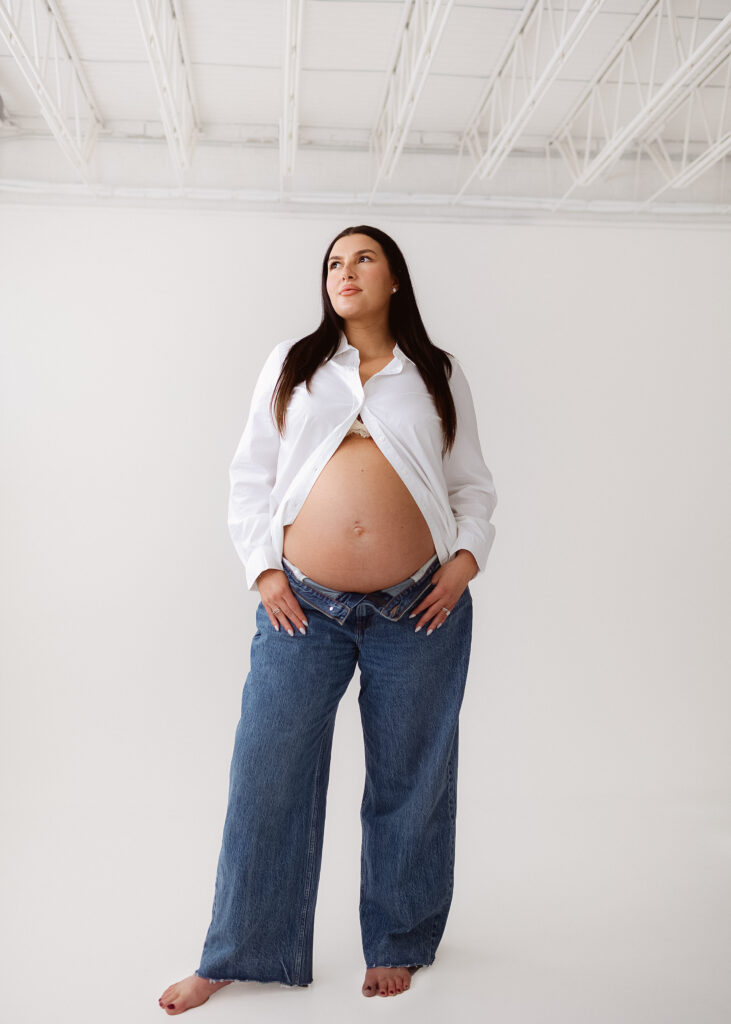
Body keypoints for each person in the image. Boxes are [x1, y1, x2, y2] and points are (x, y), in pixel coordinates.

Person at [158, 225, 497, 1013]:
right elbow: (250, 476)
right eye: (334, 263)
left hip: (420, 606)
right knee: (266, 772)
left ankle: (399, 941)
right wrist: (264, 568)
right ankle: (240, 949)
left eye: (363, 259)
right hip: (301, 606)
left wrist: (462, 562)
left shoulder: (436, 374)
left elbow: (472, 485)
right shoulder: (292, 365)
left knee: (411, 780)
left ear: (395, 281)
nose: (345, 272)